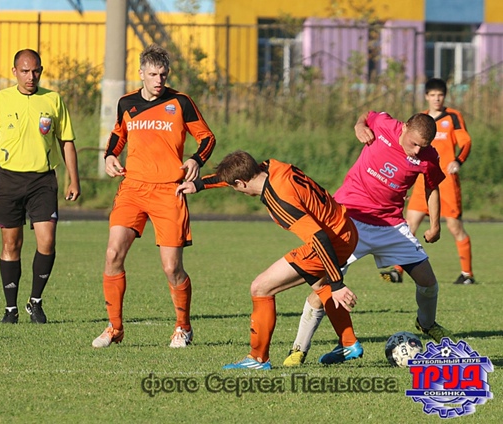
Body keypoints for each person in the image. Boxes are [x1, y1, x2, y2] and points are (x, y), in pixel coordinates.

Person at [282, 111, 453, 367]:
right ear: (404, 128)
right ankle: (299, 349)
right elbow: (366, 116)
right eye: (414, 143)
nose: (417, 150)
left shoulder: (428, 156)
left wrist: (436, 225)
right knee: (324, 286)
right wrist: (359, 125)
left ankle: (426, 324)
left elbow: (432, 187)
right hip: (350, 219)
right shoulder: (384, 125)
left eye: (423, 146)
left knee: (428, 282)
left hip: (390, 225)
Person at [176, 150, 360, 370]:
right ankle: (348, 343)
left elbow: (318, 237)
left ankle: (257, 358)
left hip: (331, 240)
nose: (236, 189)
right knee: (320, 284)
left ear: (241, 184)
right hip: (345, 228)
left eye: (235, 186)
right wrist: (199, 184)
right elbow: (236, 175)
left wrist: (338, 283)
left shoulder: (279, 200)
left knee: (261, 287)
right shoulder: (271, 167)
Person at [91, 44, 216, 349]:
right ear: (141, 73)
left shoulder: (180, 102)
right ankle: (115, 328)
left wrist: (196, 160)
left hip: (168, 191)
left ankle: (183, 327)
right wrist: (110, 155)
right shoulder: (127, 103)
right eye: (152, 74)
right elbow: (119, 134)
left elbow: (207, 138)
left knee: (172, 267)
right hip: (133, 188)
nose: (158, 80)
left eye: (163, 74)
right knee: (112, 254)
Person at [0, 48, 81, 324]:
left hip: (43, 180)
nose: (31, 76)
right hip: (8, 179)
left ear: (41, 71)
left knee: (47, 241)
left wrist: (73, 178)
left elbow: (66, 141)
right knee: (11, 243)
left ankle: (36, 302)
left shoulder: (53, 99)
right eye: (25, 71)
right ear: (14, 72)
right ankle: (11, 308)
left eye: (36, 71)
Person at [380, 78, 475, 285]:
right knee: (409, 224)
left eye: (440, 95)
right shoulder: (421, 120)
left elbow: (466, 142)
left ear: (445, 96)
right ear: (426, 97)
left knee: (454, 227)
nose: (436, 99)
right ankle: (397, 271)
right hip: (421, 181)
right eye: (432, 95)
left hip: (446, 182)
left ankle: (467, 274)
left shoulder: (452, 117)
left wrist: (458, 160)